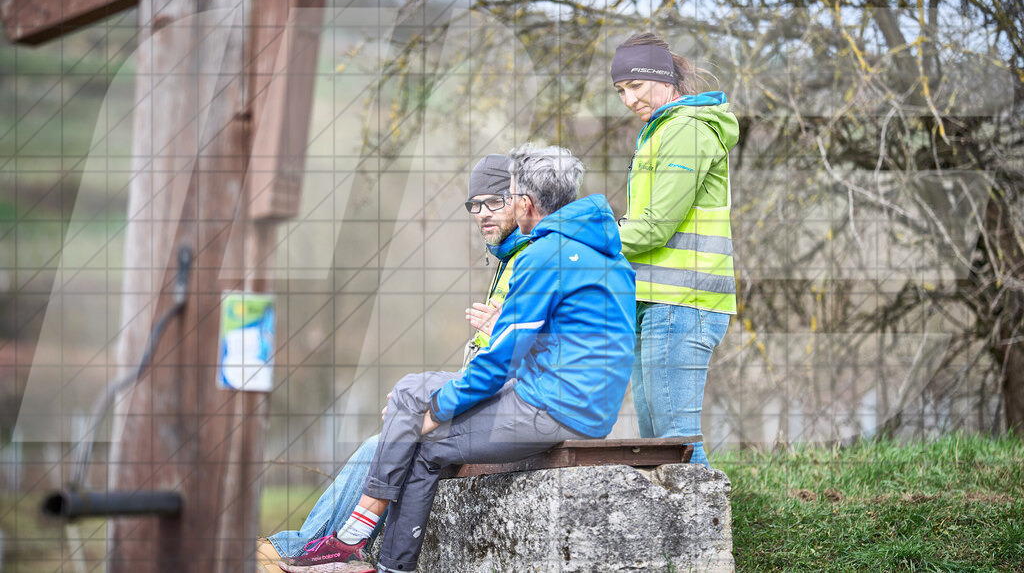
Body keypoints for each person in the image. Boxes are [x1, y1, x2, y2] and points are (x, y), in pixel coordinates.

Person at [277, 144, 636, 573]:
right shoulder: (600, 251)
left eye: (506, 195)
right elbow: (572, 341)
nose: (489, 210)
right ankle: (365, 549)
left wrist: (437, 411)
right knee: (413, 397)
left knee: (423, 437)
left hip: (552, 407)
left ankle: (357, 544)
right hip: (581, 403)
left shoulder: (545, 256)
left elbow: (498, 364)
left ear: (524, 202)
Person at [256, 154, 530, 568]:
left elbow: (528, 360)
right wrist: (420, 404)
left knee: (383, 444)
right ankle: (319, 549)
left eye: (494, 202)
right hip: (488, 403)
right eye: (474, 205)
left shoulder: (536, 260)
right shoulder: (510, 260)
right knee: (392, 429)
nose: (482, 215)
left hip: (515, 415)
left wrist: (429, 408)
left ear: (522, 200)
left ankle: (303, 549)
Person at [610, 32, 739, 468]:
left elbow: (653, 229)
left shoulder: (685, 130)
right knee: (659, 447)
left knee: (675, 443)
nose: (628, 100)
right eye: (621, 90)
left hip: (684, 301)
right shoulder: (660, 131)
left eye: (636, 86)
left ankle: (708, 535)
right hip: (655, 299)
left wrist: (585, 241)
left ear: (664, 80)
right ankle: (677, 536)